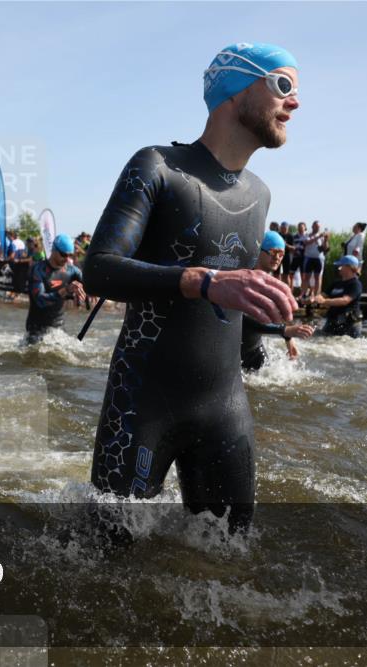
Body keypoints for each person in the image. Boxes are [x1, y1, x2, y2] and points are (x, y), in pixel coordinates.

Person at [83, 42, 299, 532]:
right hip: (142, 403)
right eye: (282, 85)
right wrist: (203, 281)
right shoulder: (157, 166)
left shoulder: (260, 193)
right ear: (233, 90)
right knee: (103, 565)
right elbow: (98, 268)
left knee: (233, 565)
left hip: (225, 406)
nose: (294, 102)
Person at [241, 231, 315, 371]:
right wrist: (285, 330)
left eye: (281, 254)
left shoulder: (274, 285)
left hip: (255, 349)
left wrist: (289, 340)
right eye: (273, 252)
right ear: (259, 250)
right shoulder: (243, 281)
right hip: (234, 352)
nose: (277, 258)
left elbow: (279, 315)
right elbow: (242, 320)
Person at [26, 234, 86, 343]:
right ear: (54, 250)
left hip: (58, 328)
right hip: (36, 330)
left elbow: (90, 285)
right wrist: (66, 290)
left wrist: (87, 291)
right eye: (63, 255)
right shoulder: (38, 270)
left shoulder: (72, 270)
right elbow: (40, 300)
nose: (67, 259)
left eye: (70, 255)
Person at [314, 255, 363, 337]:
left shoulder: (355, 284)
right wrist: (314, 298)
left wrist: (325, 301)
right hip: (333, 320)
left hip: (349, 323)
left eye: (341, 266)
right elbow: (323, 295)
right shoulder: (336, 283)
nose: (338, 268)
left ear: (349, 267)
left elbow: (345, 300)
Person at [300, 220, 327, 301]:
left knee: (317, 277)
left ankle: (316, 295)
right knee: (306, 277)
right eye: (316, 226)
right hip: (309, 257)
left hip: (318, 258)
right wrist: (317, 237)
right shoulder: (307, 234)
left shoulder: (322, 236)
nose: (317, 228)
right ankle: (304, 294)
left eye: (318, 227)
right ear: (312, 227)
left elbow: (325, 248)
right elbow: (306, 242)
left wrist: (325, 240)